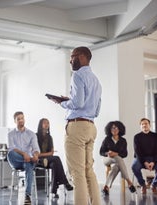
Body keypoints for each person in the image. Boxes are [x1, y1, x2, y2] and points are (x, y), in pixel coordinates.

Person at [49, 46, 102, 205]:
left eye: (73, 56)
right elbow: (97, 110)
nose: (70, 60)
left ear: (83, 57)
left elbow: (78, 102)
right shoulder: (96, 80)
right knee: (88, 171)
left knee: (77, 173)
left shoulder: (77, 75)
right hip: (91, 127)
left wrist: (63, 102)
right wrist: (69, 101)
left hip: (77, 127)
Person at [7, 111, 40, 205]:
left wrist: (36, 155)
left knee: (29, 165)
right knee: (10, 153)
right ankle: (32, 160)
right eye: (18, 119)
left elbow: (36, 149)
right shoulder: (10, 134)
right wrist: (25, 154)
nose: (21, 120)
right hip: (16, 160)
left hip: (27, 161)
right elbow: (12, 148)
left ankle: (27, 195)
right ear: (15, 121)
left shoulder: (31, 134)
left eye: (22, 118)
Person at [36, 118, 73, 198]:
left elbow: (52, 153)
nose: (46, 124)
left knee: (54, 164)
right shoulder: (35, 136)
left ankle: (54, 191)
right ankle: (64, 183)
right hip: (38, 160)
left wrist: (47, 155)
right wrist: (46, 154)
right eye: (44, 123)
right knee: (56, 159)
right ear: (40, 125)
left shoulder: (50, 137)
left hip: (48, 160)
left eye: (48, 123)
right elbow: (36, 154)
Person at [99, 121, 136, 195]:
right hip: (107, 159)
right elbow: (101, 152)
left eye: (116, 128)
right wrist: (107, 153)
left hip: (117, 161)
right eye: (112, 128)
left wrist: (116, 153)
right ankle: (129, 181)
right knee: (118, 158)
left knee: (116, 166)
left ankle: (106, 187)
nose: (114, 129)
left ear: (120, 129)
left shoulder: (123, 141)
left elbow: (125, 154)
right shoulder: (107, 139)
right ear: (109, 129)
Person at [131, 118, 157, 194]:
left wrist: (153, 162)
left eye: (146, 123)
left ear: (149, 125)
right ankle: (143, 185)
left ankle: (154, 185)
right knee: (134, 166)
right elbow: (137, 152)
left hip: (153, 158)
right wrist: (145, 162)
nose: (144, 125)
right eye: (142, 124)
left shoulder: (155, 136)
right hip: (140, 159)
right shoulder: (137, 137)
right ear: (140, 126)